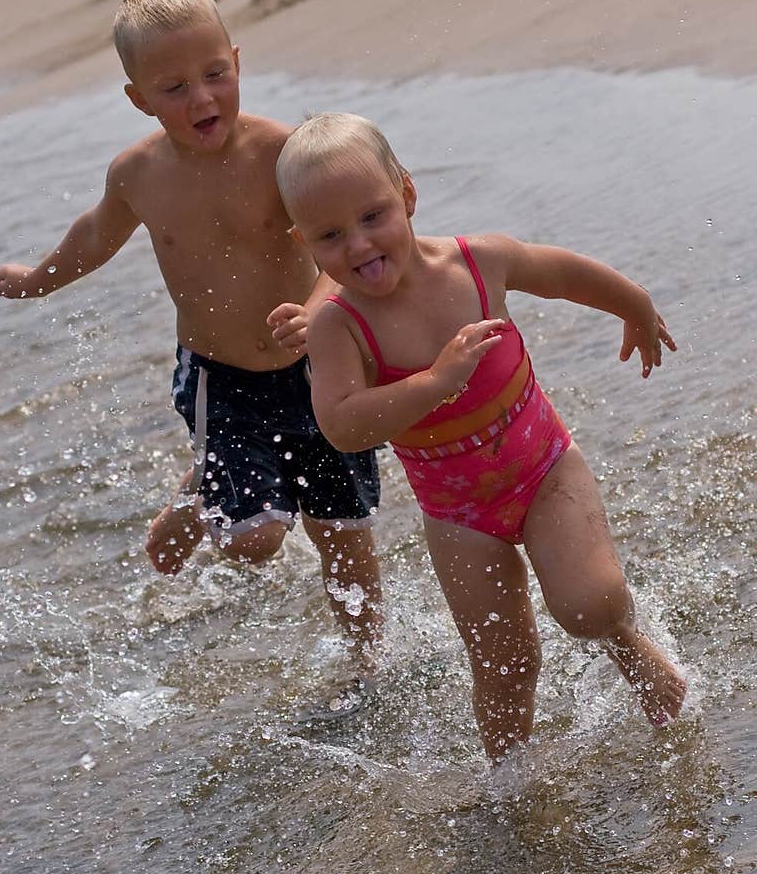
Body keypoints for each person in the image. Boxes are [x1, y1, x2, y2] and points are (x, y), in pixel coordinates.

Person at [0, 0, 382, 672]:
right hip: (219, 378)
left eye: (214, 75)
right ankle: (203, 495)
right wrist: (34, 280)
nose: (201, 99)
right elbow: (93, 240)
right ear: (138, 97)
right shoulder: (139, 174)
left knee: (340, 533)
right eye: (173, 88)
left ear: (236, 61)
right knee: (253, 540)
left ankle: (365, 663)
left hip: (320, 367)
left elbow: (341, 247)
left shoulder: (283, 155)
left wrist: (321, 306)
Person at [275, 112, 687, 760]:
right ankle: (509, 783)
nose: (357, 245)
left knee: (589, 605)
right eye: (330, 235)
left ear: (407, 195)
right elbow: (343, 425)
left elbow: (560, 274)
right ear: (305, 245)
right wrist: (434, 383)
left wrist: (633, 304)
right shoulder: (338, 326)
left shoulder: (476, 261)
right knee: (503, 663)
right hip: (458, 514)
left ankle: (626, 644)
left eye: (372, 216)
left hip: (544, 469)